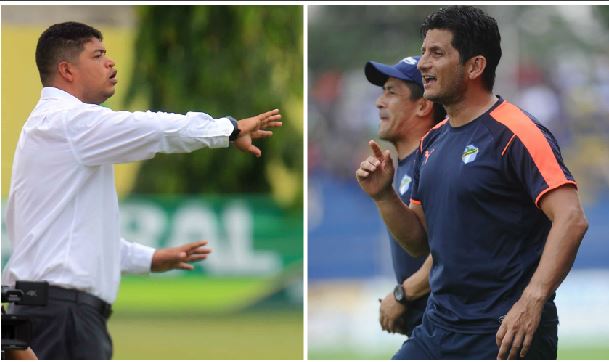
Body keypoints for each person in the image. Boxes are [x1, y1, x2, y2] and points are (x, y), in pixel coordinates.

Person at [1, 21, 282, 360]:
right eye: (99, 55)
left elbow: (73, 242)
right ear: (67, 70)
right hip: (63, 316)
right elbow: (152, 128)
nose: (111, 62)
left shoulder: (53, 127)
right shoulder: (68, 122)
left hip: (50, 311)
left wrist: (148, 259)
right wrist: (228, 129)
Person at [356, 6, 588, 360]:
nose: (422, 64)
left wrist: (532, 300)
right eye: (423, 52)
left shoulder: (518, 132)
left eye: (436, 53)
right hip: (438, 330)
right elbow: (420, 242)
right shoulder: (433, 141)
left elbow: (571, 219)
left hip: (504, 334)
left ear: (475, 66)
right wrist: (384, 196)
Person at [361, 56, 445, 351]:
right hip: (427, 324)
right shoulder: (407, 166)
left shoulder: (437, 159)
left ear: (423, 106)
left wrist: (402, 295)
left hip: (448, 328)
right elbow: (420, 244)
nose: (379, 102)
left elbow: (452, 249)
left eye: (391, 92)